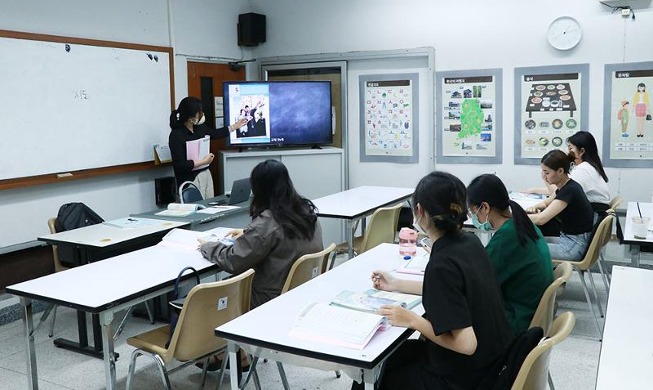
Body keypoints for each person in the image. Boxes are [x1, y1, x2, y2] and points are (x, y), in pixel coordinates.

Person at [352, 171, 513, 390]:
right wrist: (396, 284)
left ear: (419, 211)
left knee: (373, 371)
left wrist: (412, 320)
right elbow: (452, 291)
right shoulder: (469, 242)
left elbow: (466, 344)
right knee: (391, 357)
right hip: (494, 361)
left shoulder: (442, 263)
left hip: (466, 376)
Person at [199, 159, 324, 309]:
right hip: (302, 291)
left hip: (269, 299)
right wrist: (248, 234)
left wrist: (208, 247)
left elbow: (234, 260)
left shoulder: (266, 223)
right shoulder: (306, 211)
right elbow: (279, 237)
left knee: (200, 300)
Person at [467, 174, 553, 334]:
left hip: (515, 320)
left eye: (474, 211)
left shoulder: (507, 236)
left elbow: (476, 282)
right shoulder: (522, 224)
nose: (474, 218)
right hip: (528, 312)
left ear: (485, 207)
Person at [168, 97, 247, 198]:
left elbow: (215, 134)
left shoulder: (199, 128)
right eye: (199, 112)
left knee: (210, 205)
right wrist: (203, 162)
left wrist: (234, 126)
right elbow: (179, 165)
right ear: (190, 116)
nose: (201, 114)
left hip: (205, 173)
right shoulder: (176, 135)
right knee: (197, 209)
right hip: (191, 179)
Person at [526, 150, 594, 261]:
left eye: (547, 173)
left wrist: (513, 217)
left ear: (560, 171)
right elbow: (546, 203)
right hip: (569, 240)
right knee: (528, 241)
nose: (544, 176)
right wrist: (535, 208)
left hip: (572, 247)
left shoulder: (570, 190)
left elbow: (541, 219)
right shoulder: (565, 187)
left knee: (524, 248)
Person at [566, 131, 611, 212]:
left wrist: (548, 175)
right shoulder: (589, 166)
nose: (567, 152)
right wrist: (535, 190)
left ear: (582, 151)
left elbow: (562, 193)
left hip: (591, 216)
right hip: (594, 212)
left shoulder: (583, 170)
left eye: (570, 148)